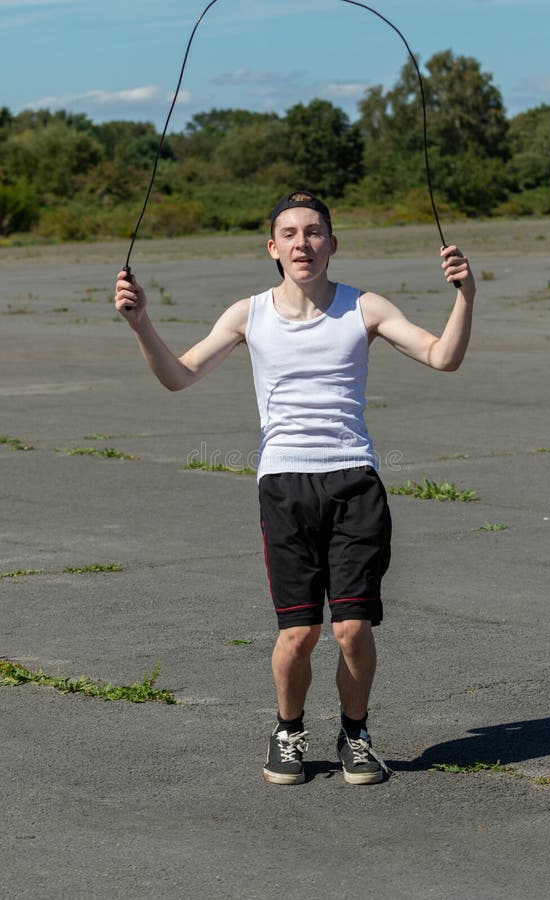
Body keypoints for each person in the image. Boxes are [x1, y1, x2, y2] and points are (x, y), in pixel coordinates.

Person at [114, 189, 476, 786]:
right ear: (273, 248)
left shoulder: (365, 308)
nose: (302, 242)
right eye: (289, 233)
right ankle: (288, 729)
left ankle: (355, 734)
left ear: (332, 244)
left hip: (354, 480)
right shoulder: (247, 314)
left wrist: (465, 296)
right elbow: (179, 376)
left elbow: (442, 357)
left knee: (352, 628)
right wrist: (141, 321)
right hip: (283, 484)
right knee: (299, 633)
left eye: (314, 232)